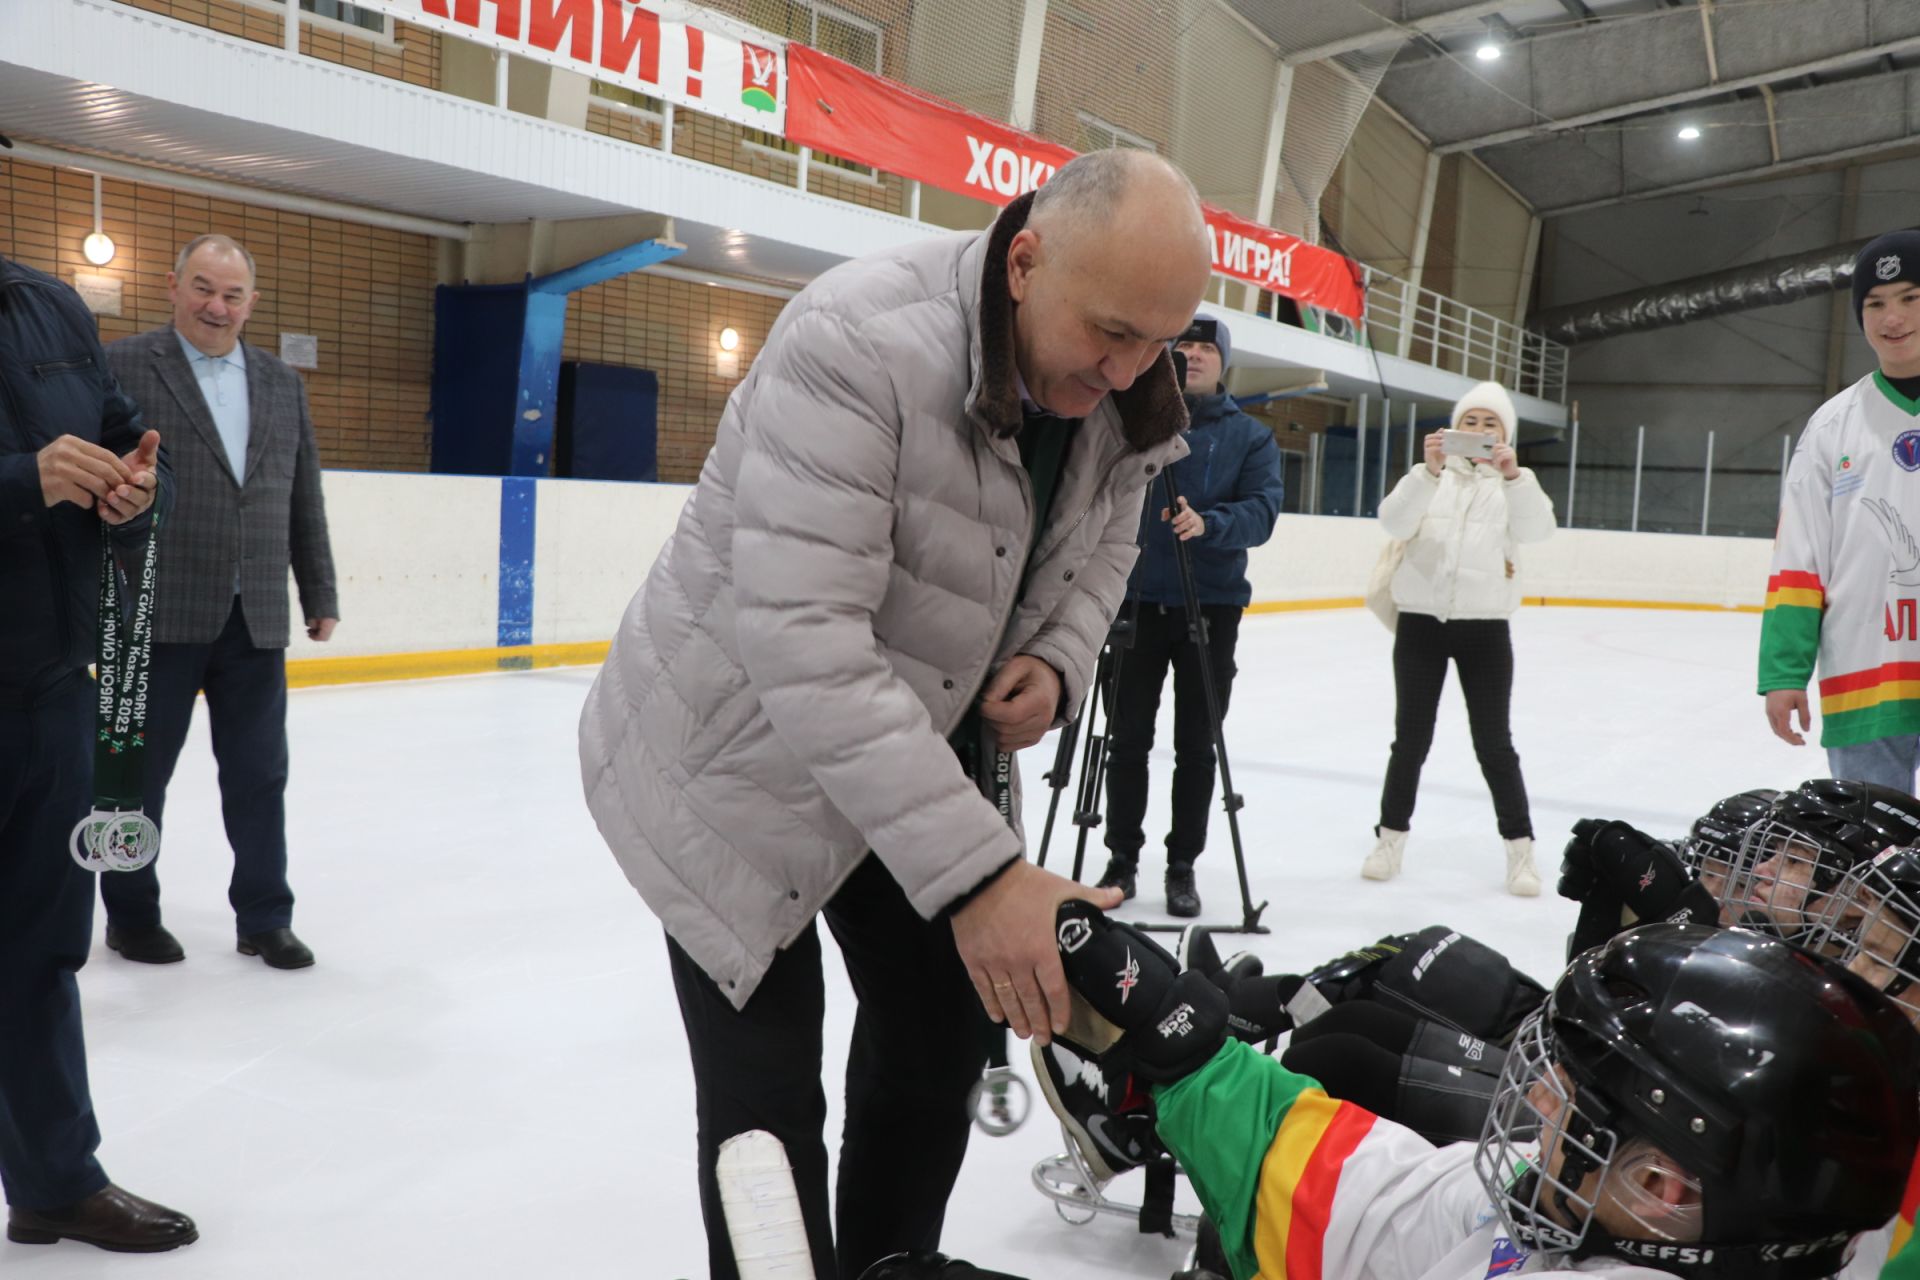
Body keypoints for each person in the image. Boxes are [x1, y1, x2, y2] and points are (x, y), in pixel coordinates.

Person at [577, 149, 1214, 1280]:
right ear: (1024, 262)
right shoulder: (856, 341)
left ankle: (885, 1268)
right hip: (735, 762)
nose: (1128, 371)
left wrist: (1060, 660)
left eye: (1159, 340)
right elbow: (805, 638)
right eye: (1110, 331)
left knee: (941, 1035)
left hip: (911, 753)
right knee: (764, 1106)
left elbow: (1110, 543)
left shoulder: (1132, 394)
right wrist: (980, 879)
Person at [1051, 902, 1920, 1280]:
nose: (1540, 1101)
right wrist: (1196, 1055)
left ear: (1664, 1188)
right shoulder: (1594, 1211)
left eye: (1579, 1105)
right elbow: (1373, 1208)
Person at [0, 221, 197, 1248]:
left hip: (45, 685)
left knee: (38, 948)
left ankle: (53, 1176)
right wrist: (22, 479)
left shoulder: (50, 305)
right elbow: (30, 472)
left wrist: (133, 484)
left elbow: (120, 434)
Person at [98, 234, 338, 970]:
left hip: (255, 615)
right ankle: (130, 916)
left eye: (233, 295)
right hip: (153, 612)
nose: (216, 306)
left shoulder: (280, 381)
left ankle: (266, 916)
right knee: (132, 775)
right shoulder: (124, 366)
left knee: (260, 776)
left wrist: (318, 588)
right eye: (203, 288)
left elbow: (303, 494)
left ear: (252, 303)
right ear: (173, 286)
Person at [1095, 314, 1282, 918]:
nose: (1194, 356)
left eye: (1205, 348)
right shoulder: (1134, 421)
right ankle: (1121, 858)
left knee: (1197, 746)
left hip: (1212, 606)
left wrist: (1210, 524)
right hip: (1134, 604)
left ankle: (1183, 865)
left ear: (1223, 362)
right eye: (1184, 346)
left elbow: (1262, 512)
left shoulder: (1250, 437)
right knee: (1125, 741)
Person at [1366, 380, 1556, 894]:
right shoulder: (1428, 478)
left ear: (1505, 434)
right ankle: (1389, 840)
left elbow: (1539, 530)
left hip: (1485, 627)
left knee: (1495, 745)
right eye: (1469, 421)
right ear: (1453, 428)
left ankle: (1521, 853)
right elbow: (1392, 521)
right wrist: (1426, 473)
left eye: (1488, 423)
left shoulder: (1515, 485)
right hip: (1421, 624)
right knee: (1410, 741)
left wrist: (1514, 477)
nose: (1477, 431)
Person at [1762, 229, 1920, 792]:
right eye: (1875, 303)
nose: (1892, 317)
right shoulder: (1833, 426)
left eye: (1910, 297)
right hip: (1865, 680)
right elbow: (1799, 559)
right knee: (1875, 866)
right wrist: (1784, 673)